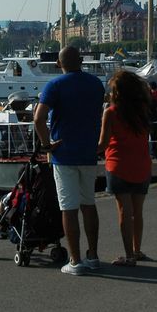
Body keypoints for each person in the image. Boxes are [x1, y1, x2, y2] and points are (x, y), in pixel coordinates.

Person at [33, 46, 105, 276]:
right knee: (89, 204)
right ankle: (92, 255)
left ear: (58, 64)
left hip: (64, 154)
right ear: (82, 60)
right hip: (88, 152)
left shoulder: (54, 85)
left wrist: (46, 144)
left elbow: (39, 118)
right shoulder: (95, 84)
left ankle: (75, 261)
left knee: (68, 207)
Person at [97, 70, 153, 267]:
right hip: (142, 165)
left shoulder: (111, 113)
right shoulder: (143, 110)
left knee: (124, 212)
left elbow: (103, 144)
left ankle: (128, 255)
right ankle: (137, 251)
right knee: (138, 212)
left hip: (118, 165)